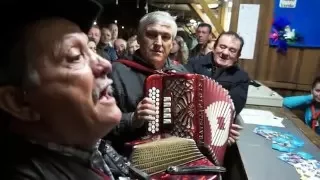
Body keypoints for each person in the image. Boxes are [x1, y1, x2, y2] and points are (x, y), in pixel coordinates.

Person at [0, 1, 136, 179]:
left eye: (90, 49)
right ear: (19, 101)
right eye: (75, 56)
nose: (105, 64)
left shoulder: (87, 149)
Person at [106, 11, 188, 154]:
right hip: (131, 157)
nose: (158, 43)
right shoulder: (115, 71)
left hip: (174, 154)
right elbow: (99, 123)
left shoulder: (180, 71)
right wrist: (132, 119)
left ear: (172, 43)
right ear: (138, 38)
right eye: (151, 35)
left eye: (166, 37)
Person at [185, 31, 250, 144]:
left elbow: (233, 108)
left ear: (238, 56)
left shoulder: (241, 77)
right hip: (188, 128)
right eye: (222, 46)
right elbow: (184, 95)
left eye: (232, 50)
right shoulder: (194, 64)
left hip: (218, 134)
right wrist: (220, 97)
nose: (225, 52)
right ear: (214, 47)